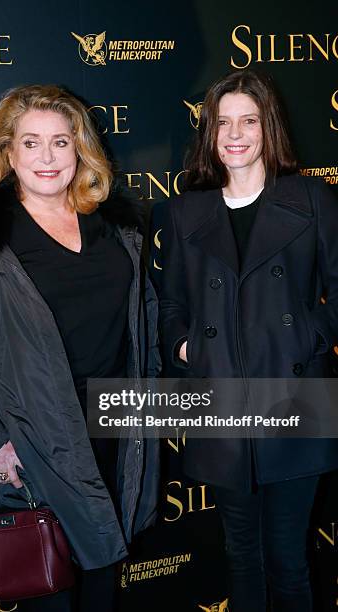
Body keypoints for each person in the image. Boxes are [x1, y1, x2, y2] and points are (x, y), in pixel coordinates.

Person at [0, 84, 160, 612]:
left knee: (104, 594)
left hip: (120, 442)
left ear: (80, 147)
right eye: (30, 143)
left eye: (60, 141)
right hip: (39, 454)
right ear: (7, 152)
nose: (47, 157)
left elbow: (143, 325)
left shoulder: (117, 227)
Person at [159, 69, 338, 612]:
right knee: (242, 558)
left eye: (249, 121)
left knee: (289, 562)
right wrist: (187, 349)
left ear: (268, 128)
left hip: (297, 402)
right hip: (224, 408)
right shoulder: (187, 210)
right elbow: (171, 307)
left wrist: (308, 334)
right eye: (223, 123)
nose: (236, 134)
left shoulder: (311, 199)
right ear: (210, 134)